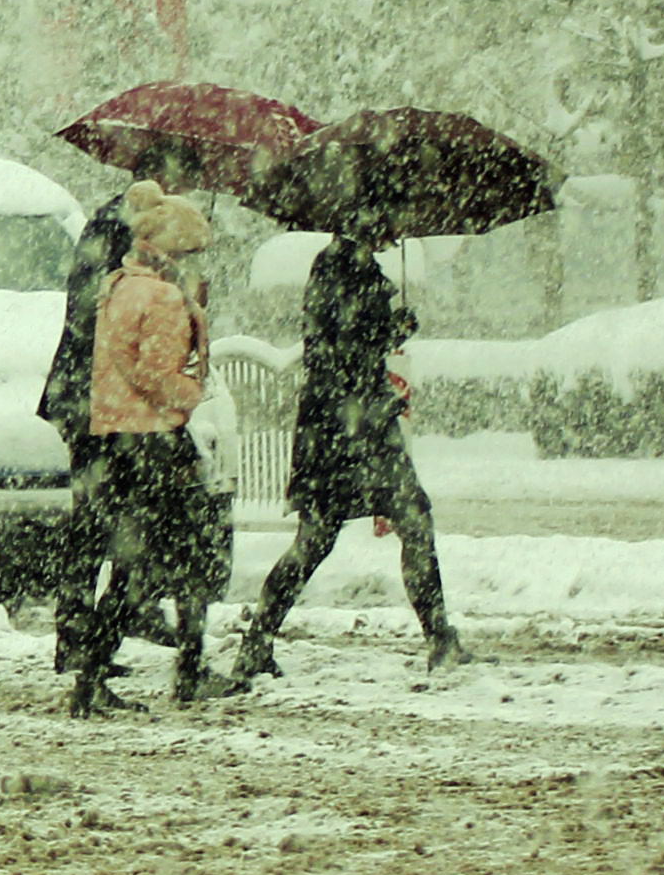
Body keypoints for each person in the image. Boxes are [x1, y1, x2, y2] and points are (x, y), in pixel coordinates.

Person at [234, 226, 474, 685]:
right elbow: (336, 353)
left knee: (331, 536)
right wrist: (378, 362)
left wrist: (389, 330)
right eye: (388, 219)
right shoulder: (340, 267)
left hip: (344, 427)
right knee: (356, 531)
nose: (396, 229)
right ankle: (438, 638)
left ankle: (259, 641)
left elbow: (348, 343)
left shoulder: (350, 265)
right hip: (348, 429)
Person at [58, 187, 244, 716]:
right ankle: (136, 674)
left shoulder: (117, 285)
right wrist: (194, 392)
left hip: (116, 438)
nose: (192, 264)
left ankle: (114, 672)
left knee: (145, 563)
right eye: (189, 254)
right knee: (160, 565)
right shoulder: (160, 297)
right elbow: (154, 374)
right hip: (154, 441)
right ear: (171, 250)